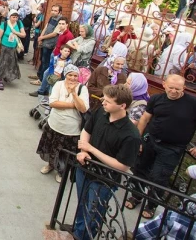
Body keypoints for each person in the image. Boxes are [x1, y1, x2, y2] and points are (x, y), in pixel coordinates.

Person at [74, 84, 140, 240]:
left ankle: (84, 236)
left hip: (104, 179)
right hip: (84, 169)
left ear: (122, 105)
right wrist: (83, 152)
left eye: (108, 101)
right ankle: (77, 232)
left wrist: (91, 149)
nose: (103, 102)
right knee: (82, 205)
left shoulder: (131, 135)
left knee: (94, 213)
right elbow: (86, 131)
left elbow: (122, 166)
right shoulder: (101, 113)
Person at [126, 74, 196, 219]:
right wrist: (138, 139)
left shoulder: (192, 103)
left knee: (159, 177)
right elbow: (145, 118)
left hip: (172, 147)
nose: (174, 91)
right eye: (171, 88)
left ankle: (151, 205)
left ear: (183, 88)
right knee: (140, 169)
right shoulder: (156, 99)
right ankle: (136, 197)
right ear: (164, 84)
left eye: (178, 89)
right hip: (150, 141)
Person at [36, 64, 89, 183]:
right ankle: (50, 165)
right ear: (66, 75)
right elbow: (53, 103)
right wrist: (73, 105)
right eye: (70, 75)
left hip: (72, 129)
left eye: (76, 76)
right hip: (55, 124)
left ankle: (61, 171)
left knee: (65, 153)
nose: (73, 78)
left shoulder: (82, 89)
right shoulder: (59, 85)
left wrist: (74, 94)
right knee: (51, 147)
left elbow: (83, 108)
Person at [0, 9, 25, 91]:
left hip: (13, 47)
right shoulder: (4, 24)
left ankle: (7, 76)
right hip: (4, 46)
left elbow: (23, 35)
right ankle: (0, 80)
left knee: (11, 63)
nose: (15, 19)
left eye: (16, 17)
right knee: (3, 63)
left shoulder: (19, 23)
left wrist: (16, 32)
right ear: (10, 17)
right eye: (13, 17)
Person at [34, 5, 62, 83]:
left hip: (50, 44)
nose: (53, 12)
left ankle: (41, 80)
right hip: (44, 42)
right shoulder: (51, 18)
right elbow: (46, 28)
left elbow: (54, 33)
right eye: (52, 10)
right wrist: (41, 37)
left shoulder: (60, 20)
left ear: (59, 12)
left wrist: (42, 38)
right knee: (42, 60)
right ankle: (39, 75)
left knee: (46, 62)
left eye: (55, 11)